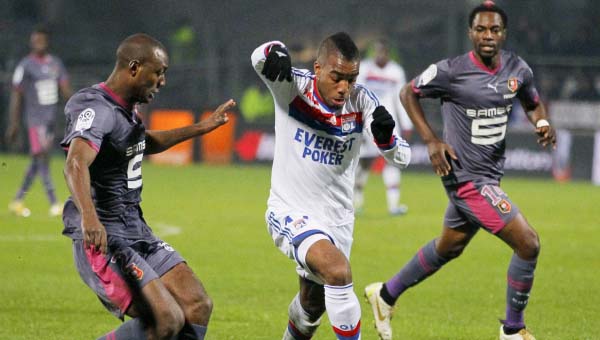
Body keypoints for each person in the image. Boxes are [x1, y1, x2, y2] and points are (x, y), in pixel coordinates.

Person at [364, 2, 555, 340]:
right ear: (471, 33)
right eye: (481, 29)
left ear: (503, 34)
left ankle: (385, 294)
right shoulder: (451, 71)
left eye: (494, 30)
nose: (487, 36)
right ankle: (513, 329)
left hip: (490, 174)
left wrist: (540, 121)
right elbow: (409, 92)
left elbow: (531, 100)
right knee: (528, 244)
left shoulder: (517, 69)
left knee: (448, 247)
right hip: (465, 178)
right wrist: (432, 140)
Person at [61, 33, 235, 340]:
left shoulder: (126, 111)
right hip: (107, 239)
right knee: (165, 319)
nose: (162, 81)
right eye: (159, 72)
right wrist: (90, 218)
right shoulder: (96, 107)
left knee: (197, 306)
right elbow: (76, 163)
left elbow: (142, 143)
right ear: (133, 68)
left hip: (137, 231)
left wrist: (202, 127)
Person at [252, 32, 411, 340]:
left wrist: (387, 139)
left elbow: (402, 158)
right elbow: (259, 56)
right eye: (337, 77)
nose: (344, 87)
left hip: (337, 220)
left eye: (351, 79)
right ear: (318, 68)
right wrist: (277, 52)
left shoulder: (361, 100)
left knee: (311, 307)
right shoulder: (292, 87)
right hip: (290, 209)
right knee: (338, 273)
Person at [6, 24, 72, 217]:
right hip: (35, 121)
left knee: (38, 161)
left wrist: (80, 104)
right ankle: (54, 203)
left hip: (50, 120)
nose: (38, 43)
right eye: (35, 40)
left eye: (41, 40)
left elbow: (65, 89)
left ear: (47, 42)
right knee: (42, 159)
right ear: (31, 42)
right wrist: (14, 123)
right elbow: (16, 95)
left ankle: (17, 200)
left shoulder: (55, 64)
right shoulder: (25, 65)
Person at [354, 40, 413, 215]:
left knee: (392, 160)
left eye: (383, 52)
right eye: (377, 52)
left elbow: (400, 98)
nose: (380, 55)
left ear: (388, 53)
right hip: (366, 121)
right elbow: (357, 94)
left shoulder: (396, 71)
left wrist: (406, 123)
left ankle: (394, 206)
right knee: (363, 163)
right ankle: (356, 204)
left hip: (389, 123)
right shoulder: (364, 68)